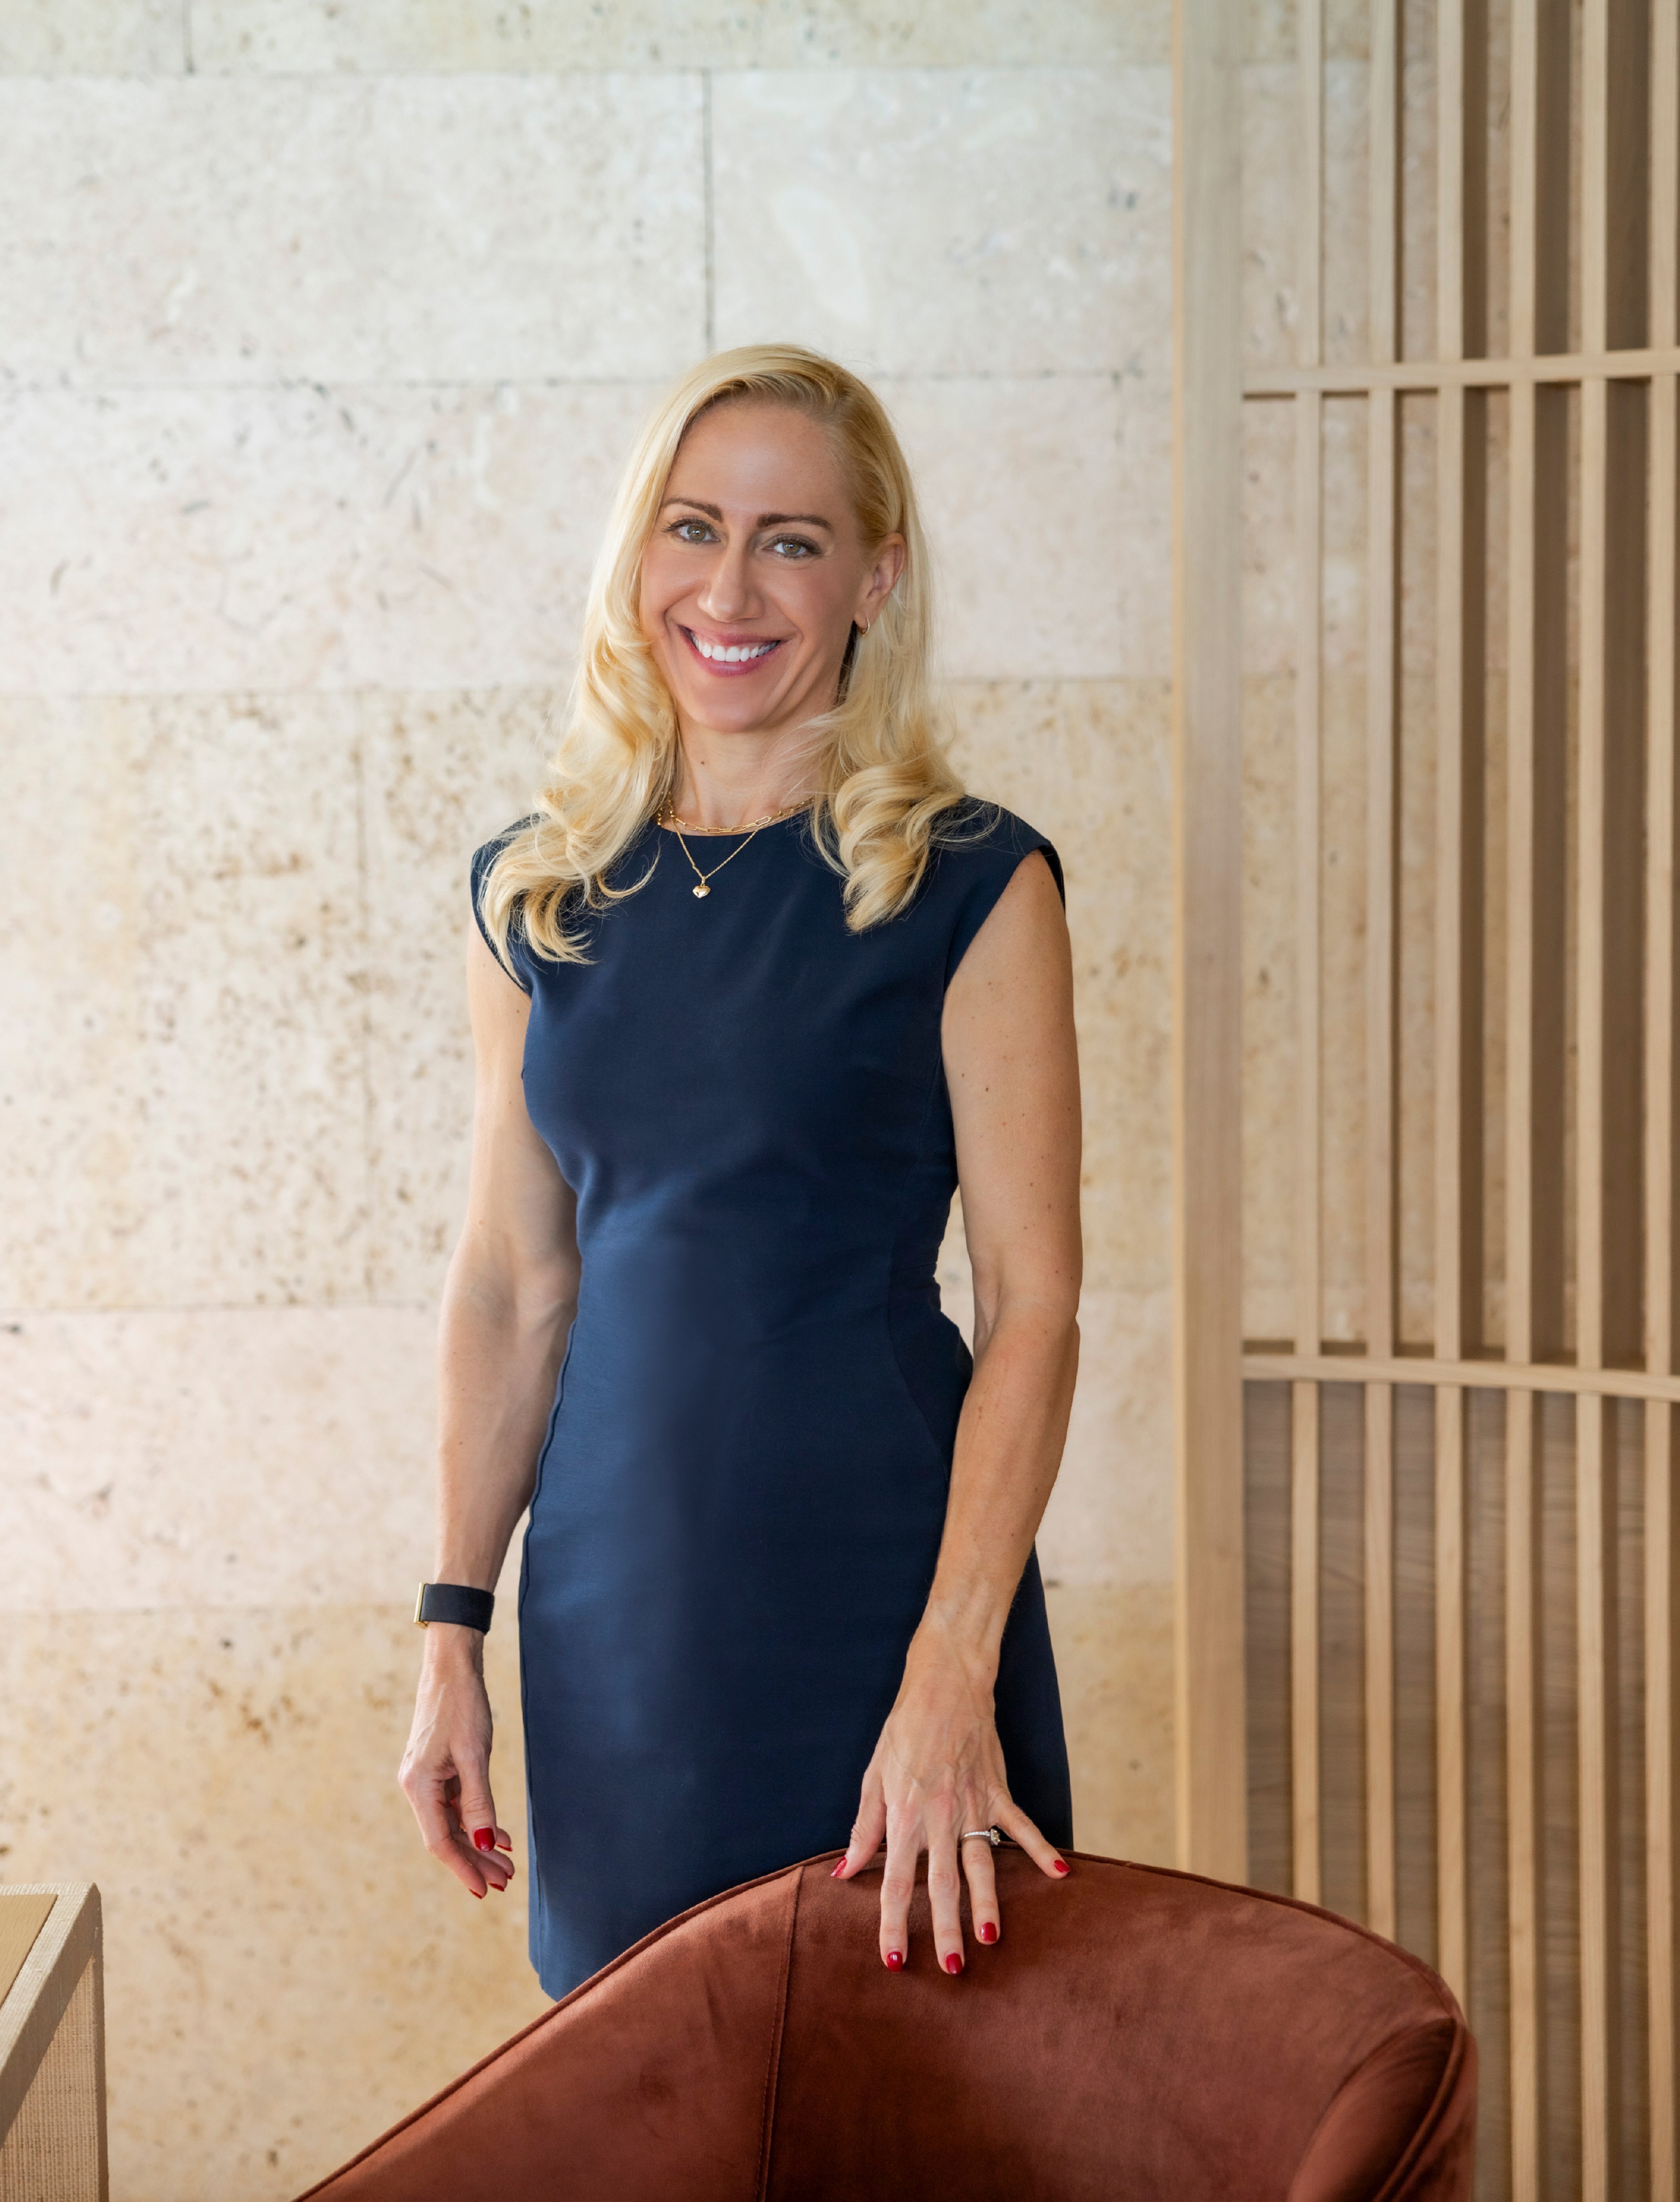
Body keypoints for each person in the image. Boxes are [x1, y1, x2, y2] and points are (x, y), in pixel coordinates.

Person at [398, 344, 1083, 2000]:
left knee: (917, 2089)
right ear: (639, 552)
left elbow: (1036, 1306)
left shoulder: (969, 882)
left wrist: (952, 1669)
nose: (729, 589)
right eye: (692, 528)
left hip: (886, 1597)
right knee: (645, 2081)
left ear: (874, 579)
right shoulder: (534, 898)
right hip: (617, 1613)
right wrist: (450, 1631)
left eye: (792, 541)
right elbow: (512, 1284)